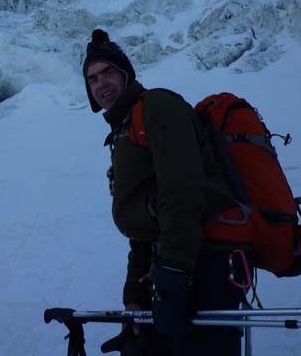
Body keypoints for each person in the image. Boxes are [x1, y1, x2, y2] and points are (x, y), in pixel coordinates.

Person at [82, 28, 252, 356]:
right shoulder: (124, 130)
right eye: (92, 79)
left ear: (126, 75)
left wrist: (174, 276)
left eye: (108, 73)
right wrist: (135, 295)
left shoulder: (158, 106)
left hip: (209, 259)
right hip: (174, 259)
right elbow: (145, 221)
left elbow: (182, 194)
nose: (101, 84)